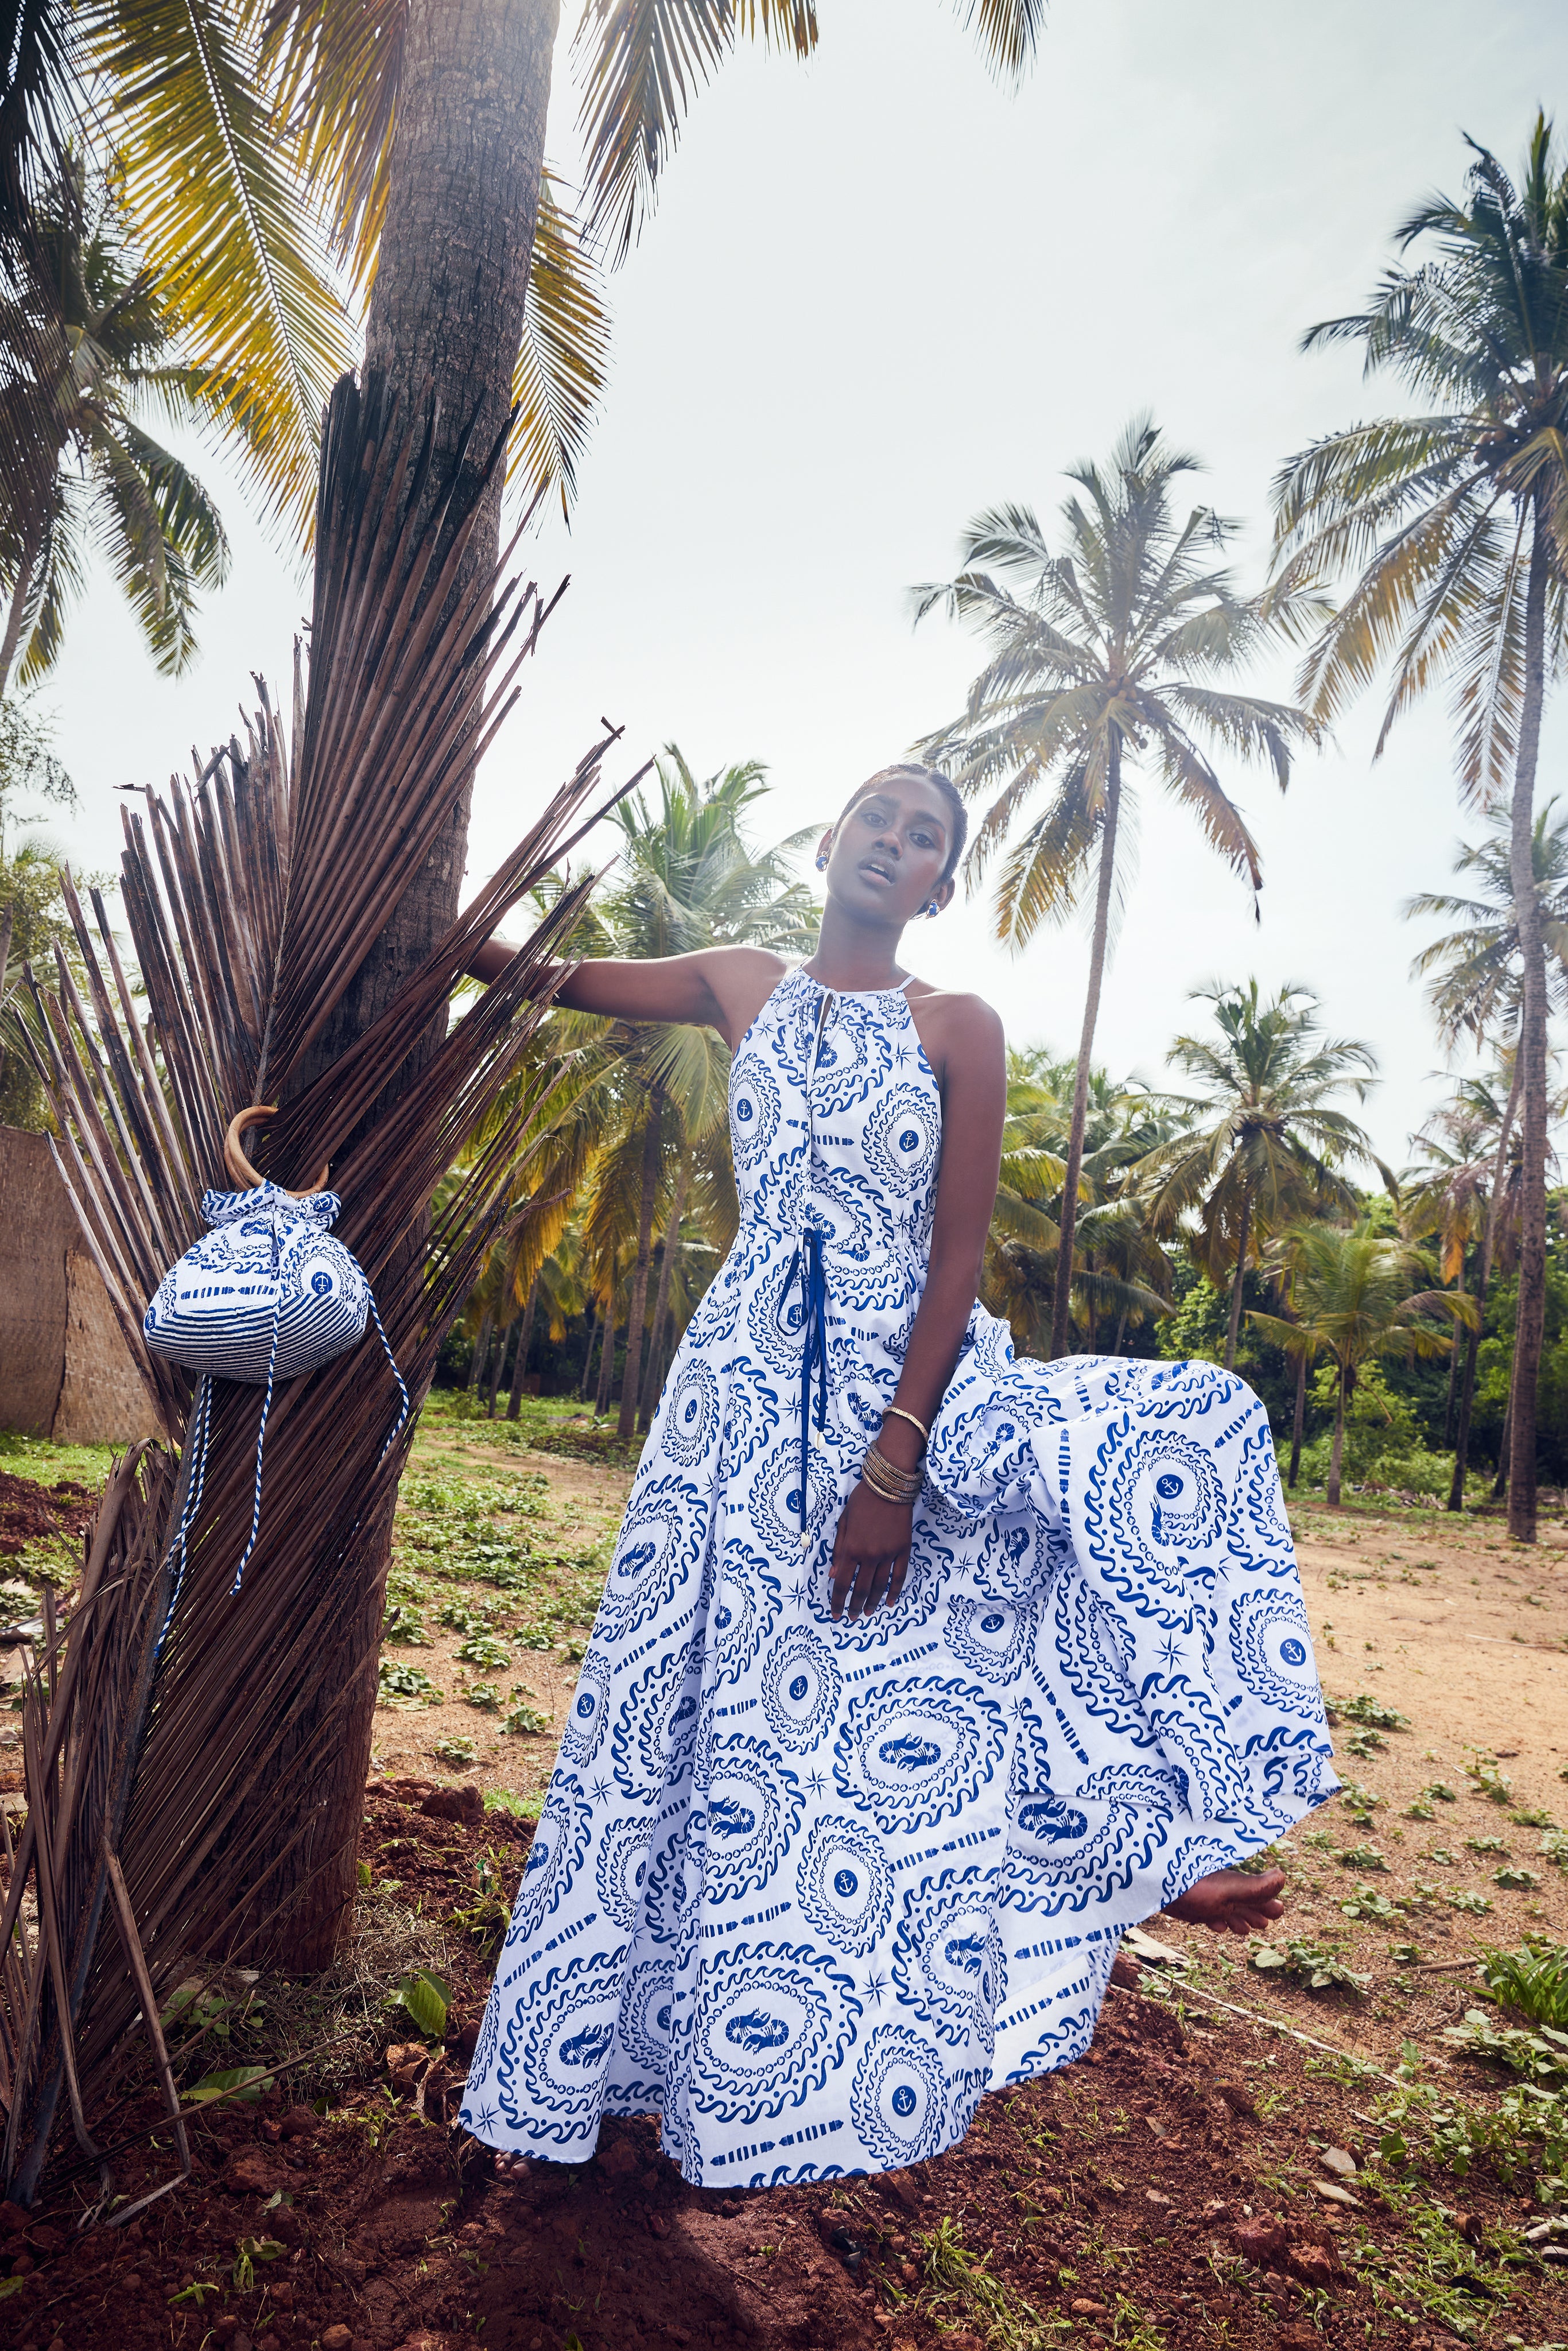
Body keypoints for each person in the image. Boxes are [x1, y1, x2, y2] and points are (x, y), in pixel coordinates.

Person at [458, 762, 1334, 2188]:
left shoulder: (958, 1025)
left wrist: (895, 1461)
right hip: (738, 1392)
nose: (895, 840)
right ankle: (658, 2067)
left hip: (905, 1381)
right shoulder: (738, 980)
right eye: (878, 815)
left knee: (1162, 1450)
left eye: (927, 836)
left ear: (940, 883)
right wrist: (434, 911)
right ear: (832, 840)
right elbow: (538, 974)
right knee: (716, 1712)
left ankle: (1160, 1834)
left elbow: (958, 1256)